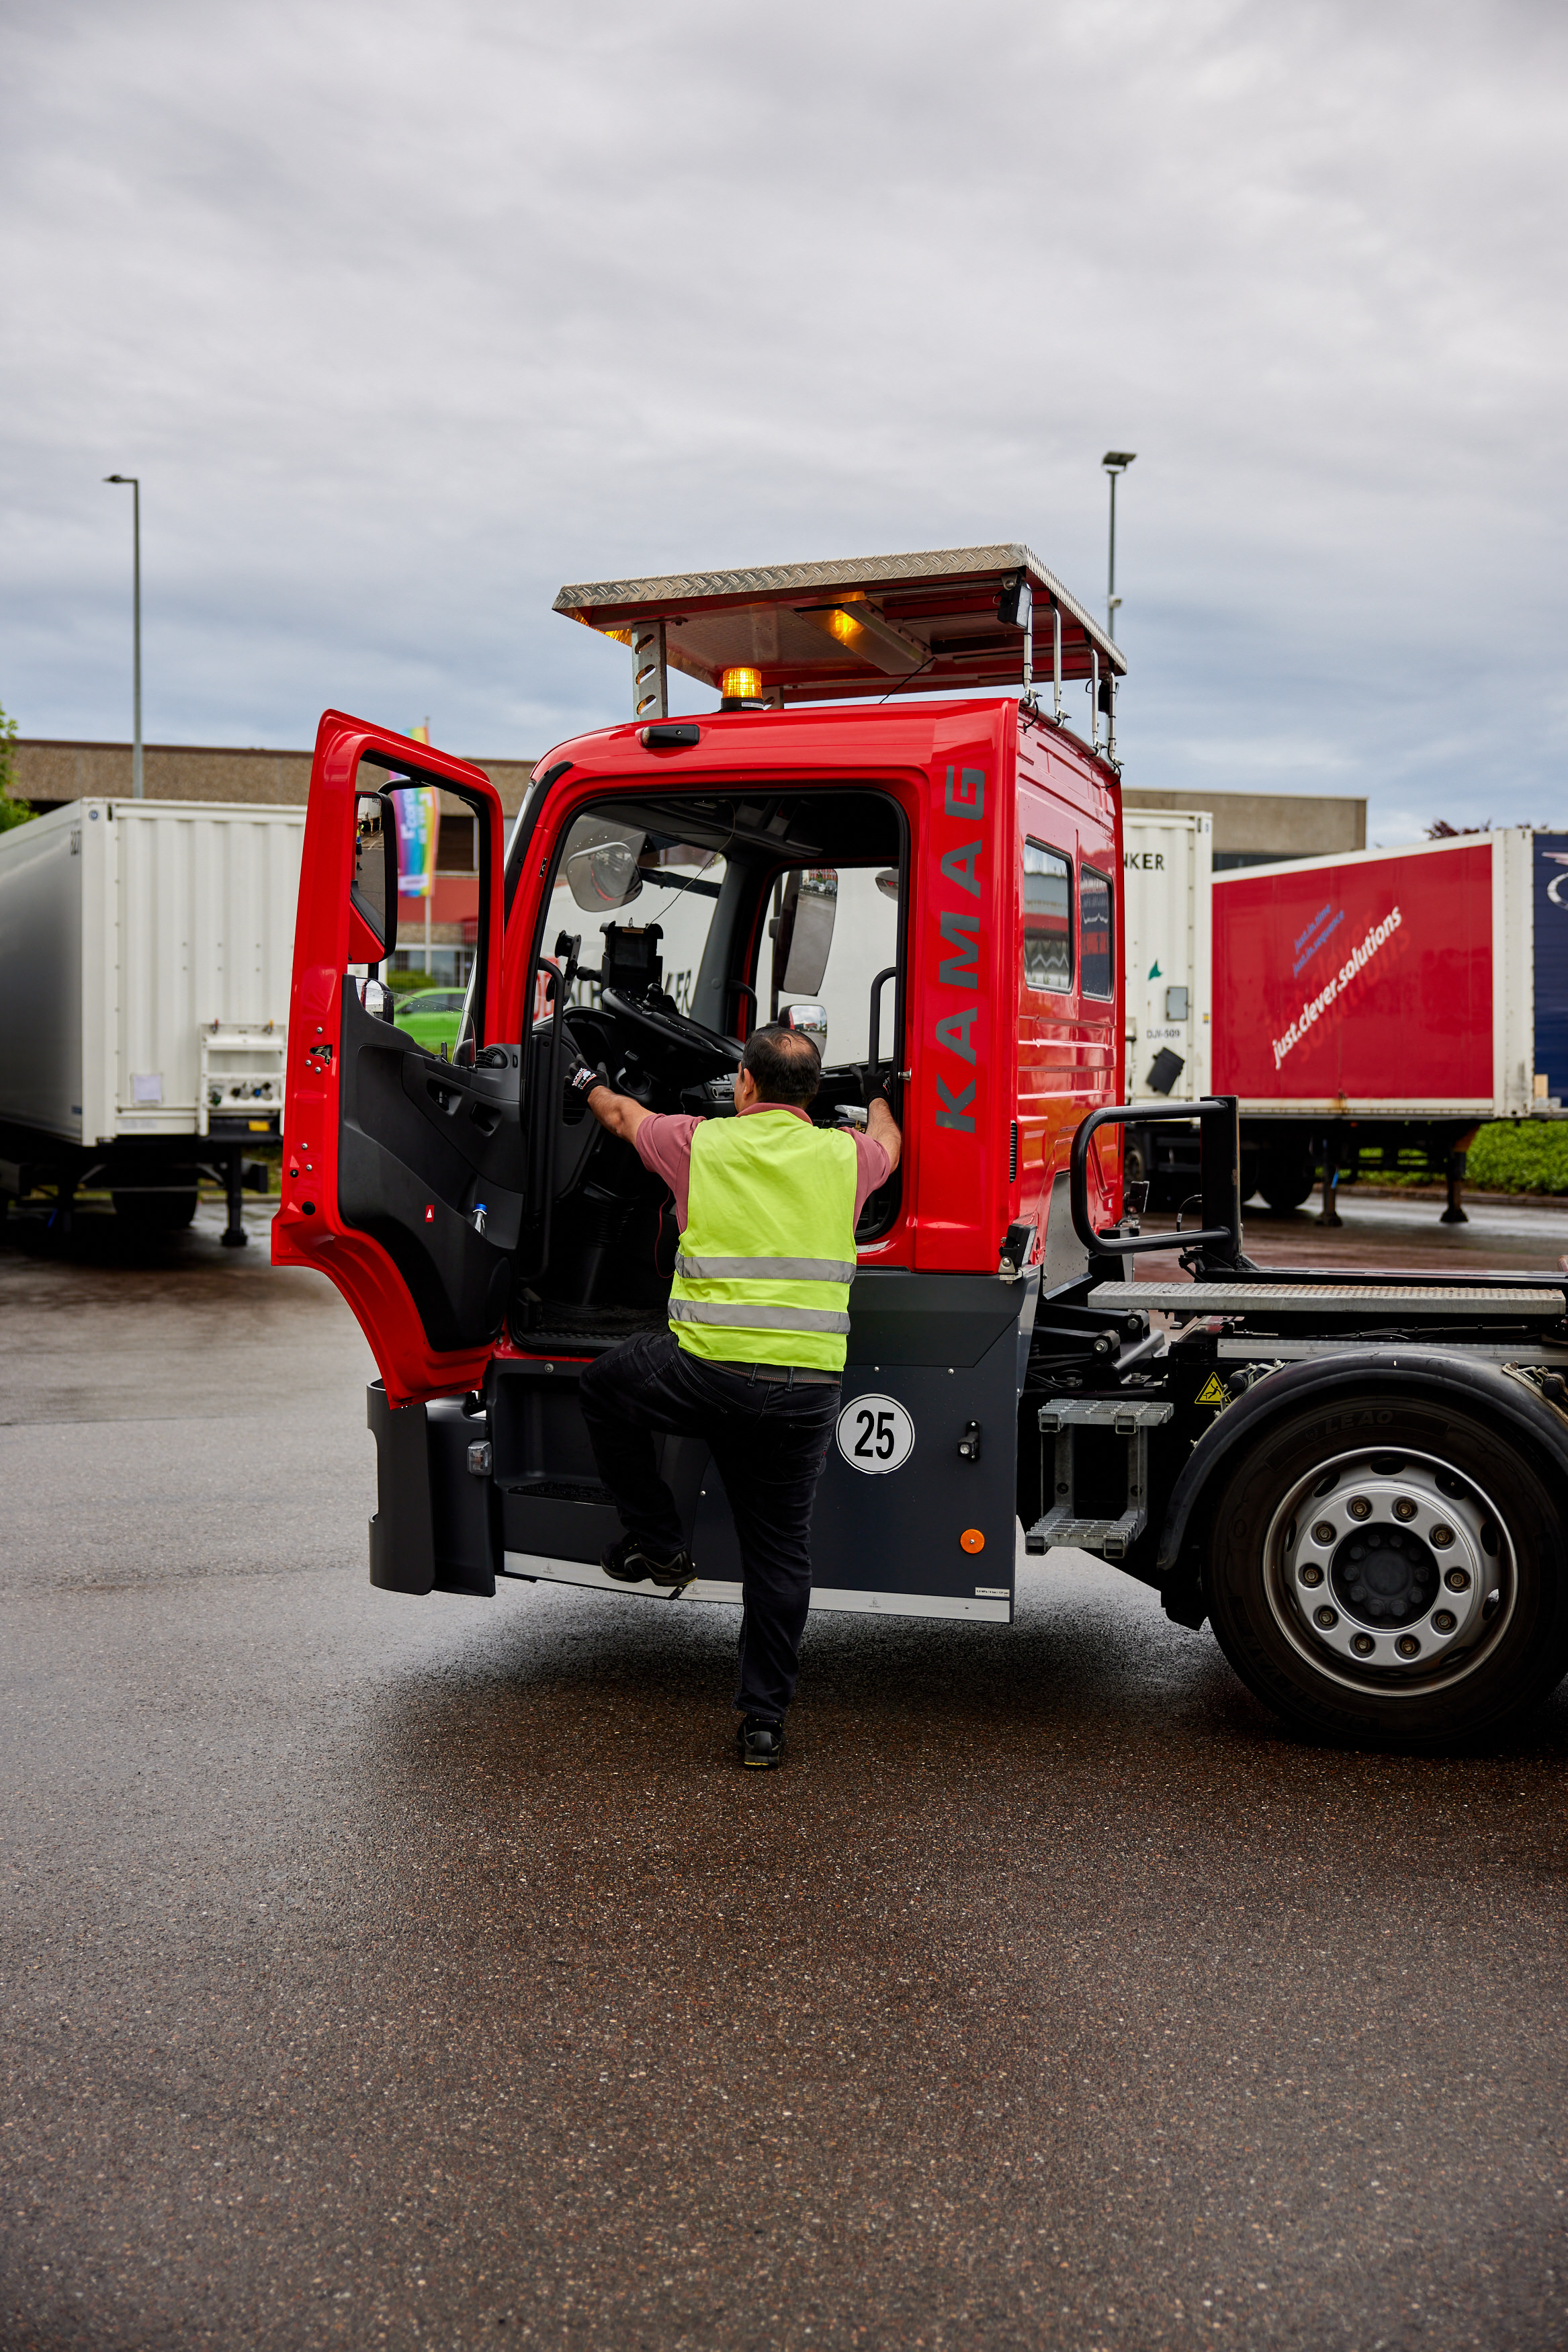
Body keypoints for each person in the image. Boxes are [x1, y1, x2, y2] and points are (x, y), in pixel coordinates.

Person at [571, 1025, 902, 1771]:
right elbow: (890, 1141)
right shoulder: (847, 1156)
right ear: (811, 1096)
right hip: (805, 1391)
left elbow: (621, 1115)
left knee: (602, 1389)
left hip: (704, 1373)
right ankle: (763, 1724)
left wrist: (582, 1078)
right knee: (780, 1554)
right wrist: (881, 1095)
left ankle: (658, 1543)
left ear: (745, 1085)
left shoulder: (700, 1142)